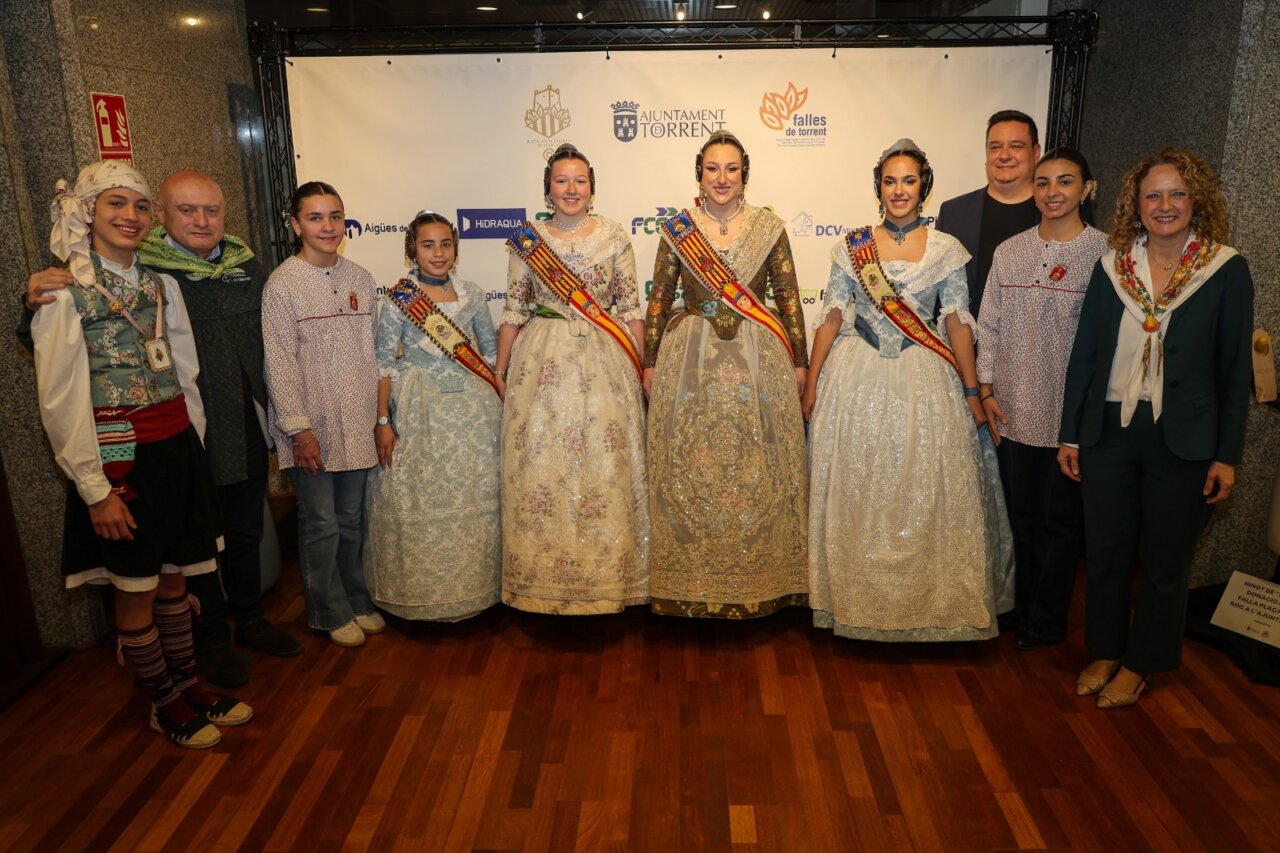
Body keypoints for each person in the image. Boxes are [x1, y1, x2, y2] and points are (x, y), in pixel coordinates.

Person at [23, 172, 304, 686]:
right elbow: (61, 351)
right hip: (153, 443)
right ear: (165, 218)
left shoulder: (243, 269)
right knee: (180, 559)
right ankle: (209, 644)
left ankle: (250, 623)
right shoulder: (119, 271)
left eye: (212, 211)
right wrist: (33, 297)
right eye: (186, 210)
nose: (202, 221)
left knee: (236, 532)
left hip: (224, 424)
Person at [1059, 149, 1252, 708]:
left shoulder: (1225, 268)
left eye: (1176, 195)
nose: (1164, 206)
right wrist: (1071, 434)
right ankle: (1104, 649)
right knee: (1108, 552)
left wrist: (1227, 454)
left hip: (1184, 440)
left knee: (1167, 561)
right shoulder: (1112, 266)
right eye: (1153, 195)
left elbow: (1234, 369)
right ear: (1135, 205)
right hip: (1109, 432)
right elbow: (1086, 356)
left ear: (1196, 202)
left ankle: (1143, 661)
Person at [804, 139, 1013, 642]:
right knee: (858, 489)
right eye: (890, 181)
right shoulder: (852, 246)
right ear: (878, 187)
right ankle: (857, 601)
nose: (899, 190)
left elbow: (958, 324)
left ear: (925, 185)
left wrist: (970, 391)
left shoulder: (945, 248)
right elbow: (832, 315)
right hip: (855, 378)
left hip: (926, 380)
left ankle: (929, 607)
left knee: (926, 493)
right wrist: (811, 383)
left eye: (909, 181)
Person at [642, 130, 809, 618]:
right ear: (699, 174)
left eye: (731, 169)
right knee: (692, 466)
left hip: (759, 361)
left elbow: (789, 297)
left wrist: (798, 360)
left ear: (745, 175)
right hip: (689, 362)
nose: (722, 178)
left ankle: (764, 579)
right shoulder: (678, 229)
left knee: (755, 467)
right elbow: (658, 301)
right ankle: (689, 579)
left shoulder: (768, 227)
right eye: (712, 169)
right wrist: (650, 362)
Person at [496, 143, 650, 614]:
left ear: (592, 188)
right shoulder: (529, 240)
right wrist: (501, 374)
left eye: (580, 181)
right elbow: (514, 310)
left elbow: (628, 309)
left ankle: (607, 583)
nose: (571, 189)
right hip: (541, 363)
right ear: (548, 189)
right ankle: (543, 587)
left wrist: (642, 368)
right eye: (561, 181)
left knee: (604, 469)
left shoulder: (615, 236)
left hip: (606, 363)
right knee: (542, 468)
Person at [977, 149, 1109, 652]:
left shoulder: (1106, 254)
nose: (1052, 192)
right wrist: (986, 389)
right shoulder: (1010, 251)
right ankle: (1016, 605)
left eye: (1065, 181)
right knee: (1018, 517)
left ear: (1087, 189)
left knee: (1060, 523)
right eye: (1043, 182)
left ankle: (1046, 620)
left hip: (1068, 420)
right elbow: (987, 323)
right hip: (1011, 410)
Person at [262, 181, 384, 647]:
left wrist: (378, 417)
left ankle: (356, 599)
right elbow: (279, 361)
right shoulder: (282, 285)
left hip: (357, 422)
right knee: (321, 524)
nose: (327, 226)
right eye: (315, 218)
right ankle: (327, 611)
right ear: (295, 225)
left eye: (335, 216)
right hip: (310, 427)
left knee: (352, 519)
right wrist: (298, 429)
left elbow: (374, 355)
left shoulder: (360, 278)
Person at [366, 211, 502, 620]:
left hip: (474, 410)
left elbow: (492, 354)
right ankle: (425, 594)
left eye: (446, 244)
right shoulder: (397, 300)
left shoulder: (473, 294)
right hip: (419, 407)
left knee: (477, 493)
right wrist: (383, 423)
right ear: (413, 249)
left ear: (455, 249)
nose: (438, 253)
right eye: (428, 245)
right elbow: (383, 365)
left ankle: (479, 589)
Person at [936, 110, 1042, 319]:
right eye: (995, 147)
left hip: (1033, 347)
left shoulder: (1058, 215)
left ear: (1036, 153)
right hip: (964, 347)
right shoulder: (953, 213)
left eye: (1016, 146)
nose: (1004, 155)